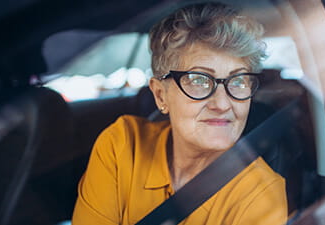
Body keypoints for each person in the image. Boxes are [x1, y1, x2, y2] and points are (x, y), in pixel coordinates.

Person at [72, 2, 287, 225]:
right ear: (160, 96)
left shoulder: (262, 196)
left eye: (239, 80)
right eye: (199, 80)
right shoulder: (124, 145)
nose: (223, 104)